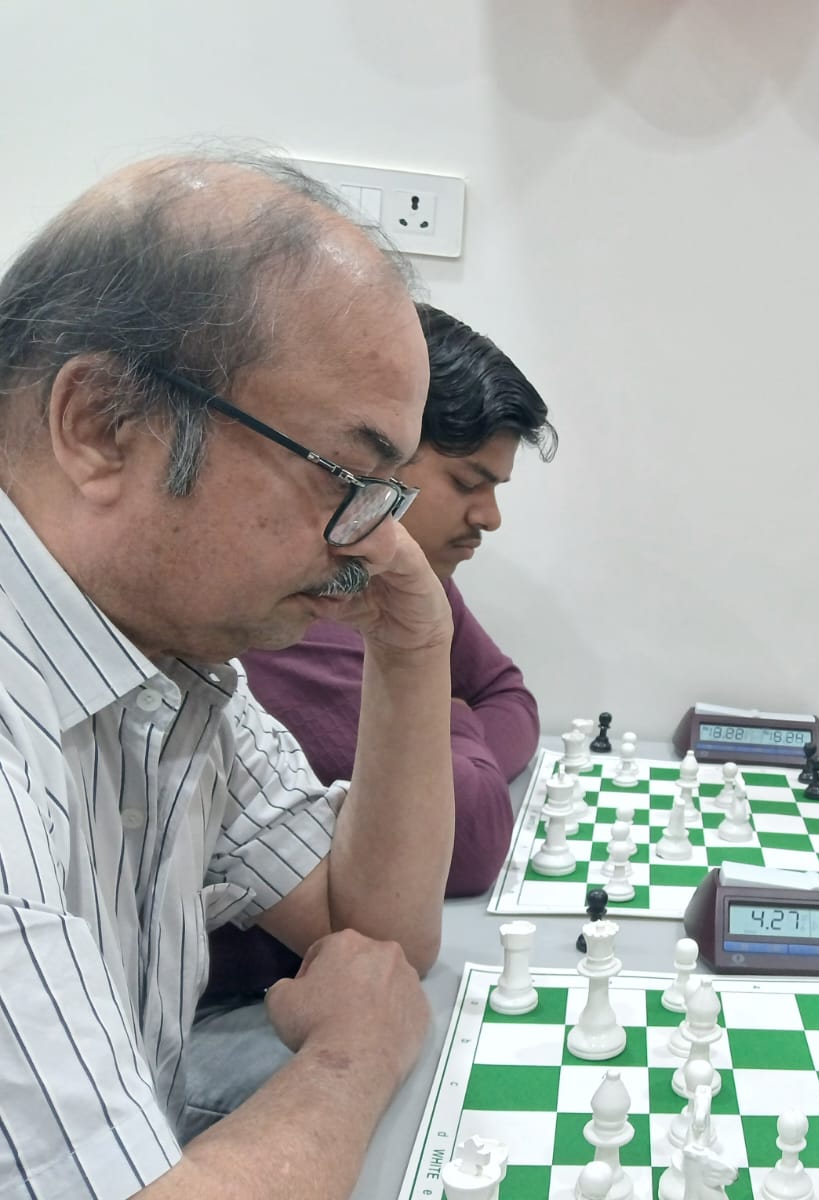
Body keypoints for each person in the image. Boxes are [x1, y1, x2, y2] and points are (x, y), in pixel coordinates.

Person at [0, 153, 455, 1198]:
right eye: (347, 477)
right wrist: (348, 1059)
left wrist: (411, 649)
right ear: (103, 426)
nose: (372, 545)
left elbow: (377, 937)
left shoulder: (171, 658)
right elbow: (370, 1000)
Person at [181, 305, 553, 1133]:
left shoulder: (397, 590)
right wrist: (442, 710)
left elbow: (508, 699)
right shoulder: (282, 618)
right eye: (468, 483)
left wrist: (429, 685)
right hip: (219, 1013)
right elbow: (474, 826)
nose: (490, 518)